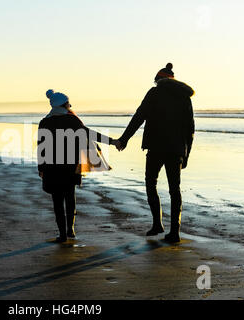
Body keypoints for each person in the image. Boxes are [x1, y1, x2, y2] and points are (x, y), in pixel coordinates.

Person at [116, 63, 195, 243]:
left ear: (158, 80)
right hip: (176, 150)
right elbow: (190, 128)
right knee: (175, 190)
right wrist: (186, 154)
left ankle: (157, 224)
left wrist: (124, 139)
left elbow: (139, 117)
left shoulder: (154, 93)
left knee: (151, 183)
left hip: (156, 147)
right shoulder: (184, 97)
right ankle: (175, 232)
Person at [38, 90, 118, 243]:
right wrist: (113, 142)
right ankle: (71, 229)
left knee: (57, 200)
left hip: (51, 167)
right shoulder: (72, 121)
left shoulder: (45, 122)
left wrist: (40, 168)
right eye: (68, 104)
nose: (70, 106)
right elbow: (90, 134)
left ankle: (62, 234)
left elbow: (41, 147)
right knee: (69, 196)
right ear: (64, 105)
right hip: (70, 165)